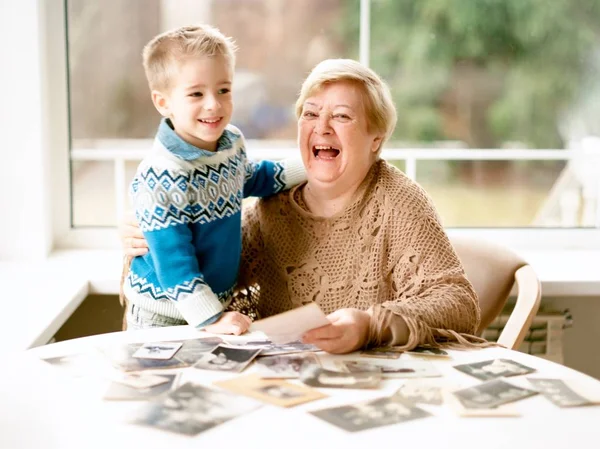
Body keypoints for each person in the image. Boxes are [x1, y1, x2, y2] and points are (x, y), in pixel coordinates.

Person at [123, 58, 484, 354]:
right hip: (284, 394)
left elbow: (458, 303)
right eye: (310, 114)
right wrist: (152, 238)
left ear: (376, 138)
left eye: (342, 116)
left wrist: (370, 325)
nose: (322, 127)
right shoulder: (272, 206)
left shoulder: (398, 201)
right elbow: (199, 283)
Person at [122, 25, 305, 334]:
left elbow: (252, 178)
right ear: (163, 102)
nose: (214, 104)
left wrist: (310, 167)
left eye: (223, 90)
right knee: (166, 383)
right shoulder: (163, 175)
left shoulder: (230, 143)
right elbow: (174, 263)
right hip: (163, 313)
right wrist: (213, 319)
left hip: (212, 303)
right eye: (196, 93)